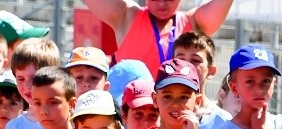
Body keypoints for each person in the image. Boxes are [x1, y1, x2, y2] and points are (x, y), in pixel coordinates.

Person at [84, 0, 236, 76]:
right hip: (134, 115)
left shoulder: (194, 22)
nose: (162, 3)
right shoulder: (127, 16)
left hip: (179, 115)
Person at [0, 38, 61, 129]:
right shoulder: (14, 127)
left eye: (34, 78)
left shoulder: (68, 121)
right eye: (20, 79)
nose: (27, 87)